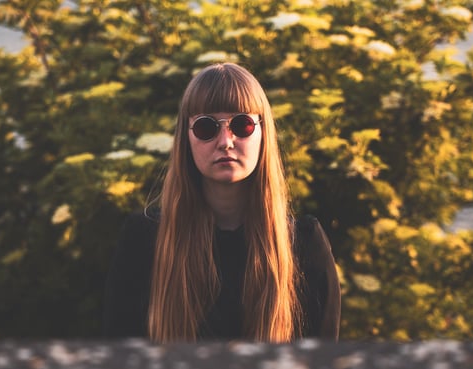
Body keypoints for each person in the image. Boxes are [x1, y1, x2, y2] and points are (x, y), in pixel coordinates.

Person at [102, 63, 340, 343]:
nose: (226, 141)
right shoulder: (144, 240)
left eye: (242, 124)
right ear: (186, 138)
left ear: (263, 133)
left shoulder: (303, 244)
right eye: (206, 127)